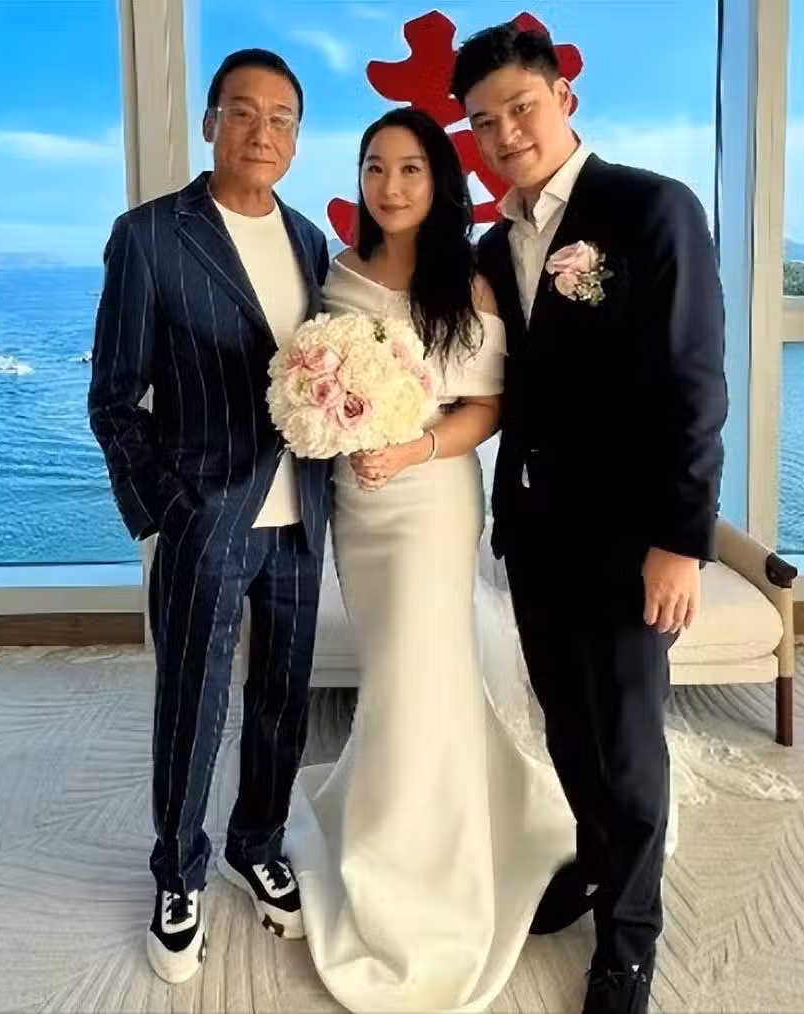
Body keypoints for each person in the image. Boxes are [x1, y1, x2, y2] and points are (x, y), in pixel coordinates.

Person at [452, 22, 729, 1014]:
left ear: (564, 97)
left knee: (628, 742)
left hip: (630, 539)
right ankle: (594, 853)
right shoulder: (495, 244)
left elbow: (694, 386)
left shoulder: (652, 207)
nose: (505, 134)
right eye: (483, 122)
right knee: (568, 726)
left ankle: (629, 939)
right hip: (536, 531)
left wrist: (680, 543)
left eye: (520, 108)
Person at [284, 107, 576, 1012]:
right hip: (357, 506)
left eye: (411, 168)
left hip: (432, 497)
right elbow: (313, 383)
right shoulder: (336, 275)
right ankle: (411, 811)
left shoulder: (470, 278)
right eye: (376, 167)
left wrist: (411, 449)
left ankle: (419, 871)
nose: (391, 185)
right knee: (395, 669)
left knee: (419, 670)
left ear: (438, 181)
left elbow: (488, 406)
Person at [88, 48, 331, 984]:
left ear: (297, 138)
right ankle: (177, 872)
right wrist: (168, 510)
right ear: (210, 123)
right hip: (206, 516)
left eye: (282, 118)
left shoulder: (310, 240)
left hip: (299, 514)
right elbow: (115, 396)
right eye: (243, 112)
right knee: (193, 702)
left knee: (282, 697)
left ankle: (254, 842)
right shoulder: (150, 235)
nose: (262, 132)